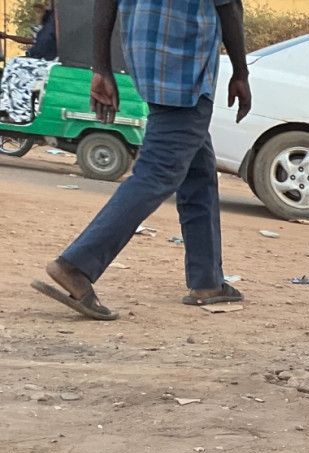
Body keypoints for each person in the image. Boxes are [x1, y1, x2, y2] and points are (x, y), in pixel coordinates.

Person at [31, 0, 252, 321]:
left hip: (148, 66)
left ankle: (207, 281)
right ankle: (76, 266)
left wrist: (101, 68)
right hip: (185, 73)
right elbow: (229, 8)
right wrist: (241, 73)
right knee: (157, 172)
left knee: (198, 171)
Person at [0, 2, 58, 125]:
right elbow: (33, 41)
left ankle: (19, 113)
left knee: (16, 68)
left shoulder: (54, 23)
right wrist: (8, 36)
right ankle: (7, 107)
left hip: (50, 62)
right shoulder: (47, 25)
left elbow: (44, 45)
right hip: (42, 59)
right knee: (13, 63)